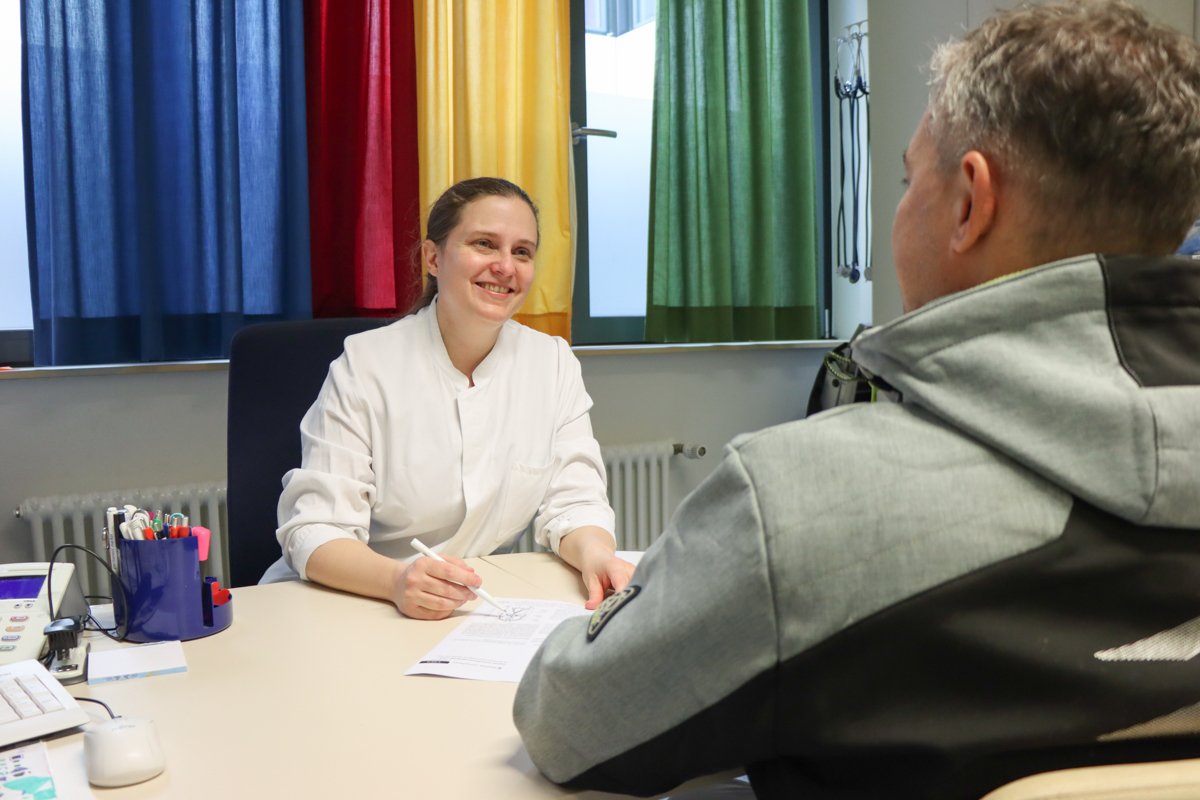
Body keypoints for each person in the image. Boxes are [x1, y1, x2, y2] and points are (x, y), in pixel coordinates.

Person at [513, 2, 1200, 797]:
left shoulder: (798, 506)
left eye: (911, 180)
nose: (901, 206)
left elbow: (567, 717)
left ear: (971, 203)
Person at [266, 177, 634, 618]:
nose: (505, 266)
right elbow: (315, 529)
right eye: (484, 244)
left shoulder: (552, 363)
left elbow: (575, 502)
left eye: (522, 251)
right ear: (433, 257)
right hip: (354, 599)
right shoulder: (366, 364)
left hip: (468, 605)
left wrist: (597, 557)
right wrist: (397, 581)